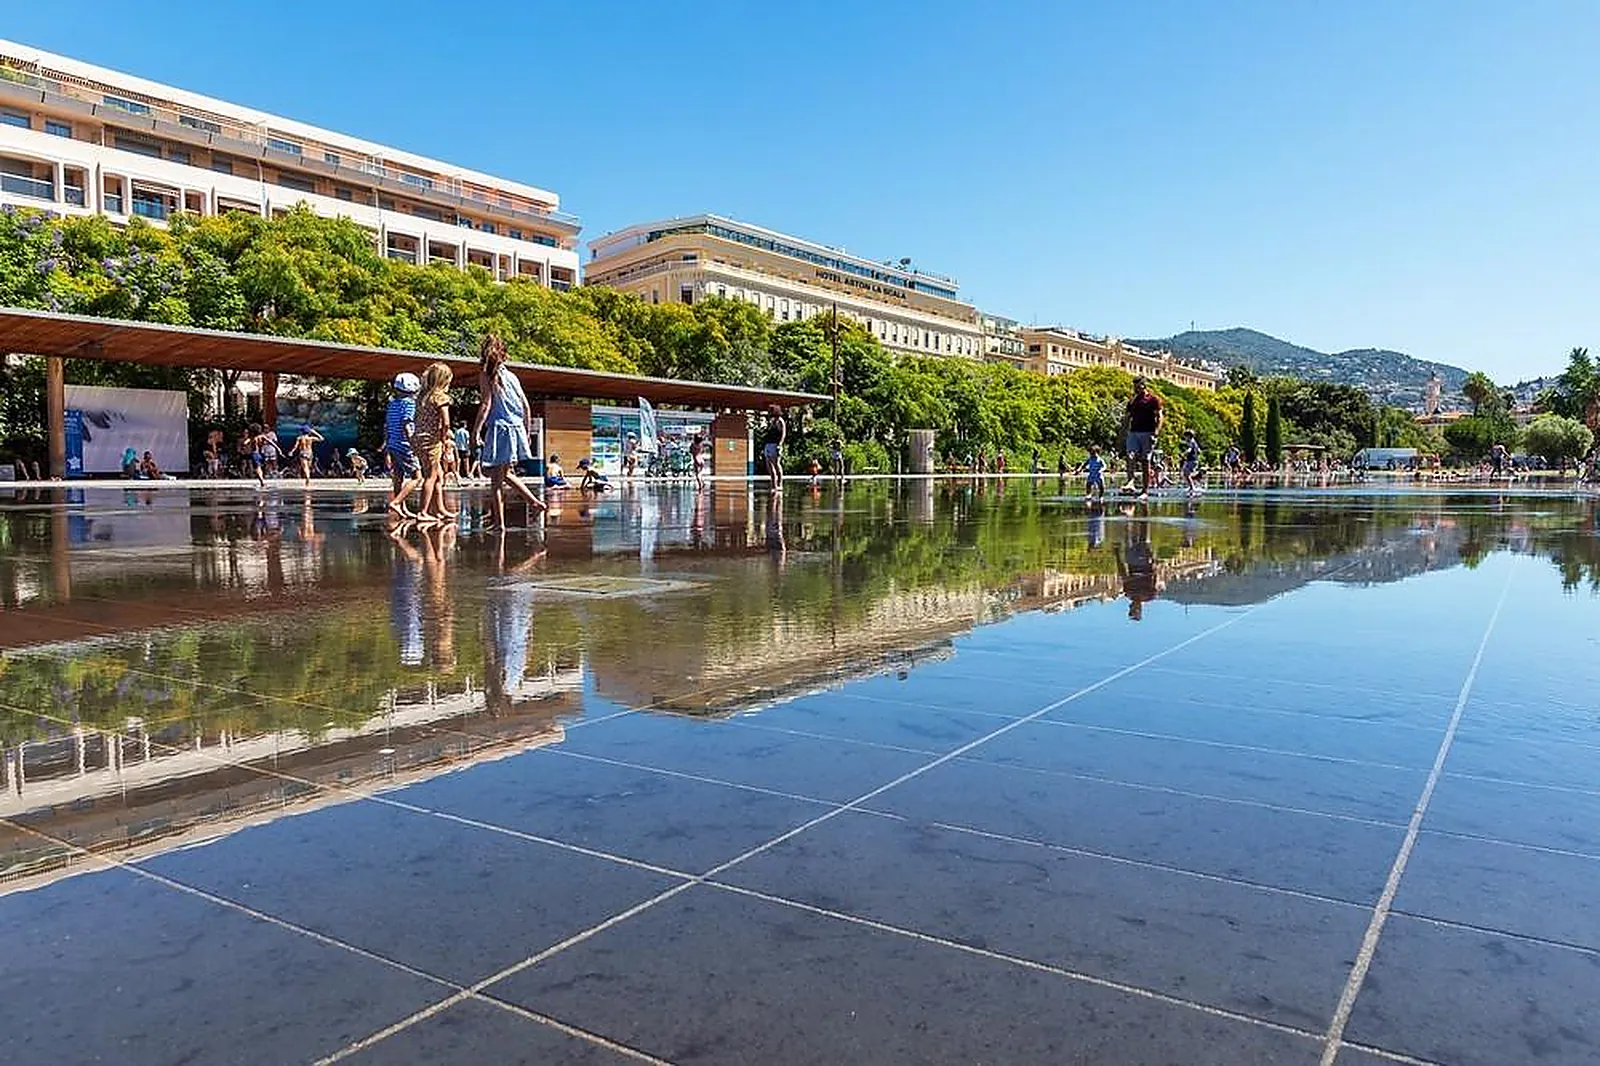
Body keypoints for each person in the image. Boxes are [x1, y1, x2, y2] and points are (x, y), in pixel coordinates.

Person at [473, 332, 547, 531]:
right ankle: (534, 503)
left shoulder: (487, 374)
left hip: (500, 428)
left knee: (496, 481)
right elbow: (525, 405)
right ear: (504, 354)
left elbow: (486, 404)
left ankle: (500, 524)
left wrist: (476, 431)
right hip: (515, 428)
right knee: (502, 473)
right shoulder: (512, 376)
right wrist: (526, 430)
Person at [413, 362, 458, 523]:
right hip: (432, 440)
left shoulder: (422, 397)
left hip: (418, 438)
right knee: (430, 476)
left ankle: (440, 509)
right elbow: (446, 422)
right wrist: (445, 438)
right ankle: (423, 511)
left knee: (438, 475)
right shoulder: (441, 397)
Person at [385, 372, 423, 519]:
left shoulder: (392, 404)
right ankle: (396, 502)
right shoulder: (410, 404)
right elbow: (407, 425)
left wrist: (387, 445)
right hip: (405, 445)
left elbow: (387, 426)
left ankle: (402, 508)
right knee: (417, 477)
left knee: (398, 477)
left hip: (393, 444)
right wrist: (413, 443)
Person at [1120, 376, 1163, 498]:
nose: (1135, 389)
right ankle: (1131, 482)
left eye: (1137, 386)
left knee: (1145, 461)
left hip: (1148, 433)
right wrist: (1122, 433)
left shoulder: (1153, 399)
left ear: (1143, 386)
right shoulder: (1132, 400)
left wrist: (1156, 432)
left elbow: (1160, 416)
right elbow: (1127, 418)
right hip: (1134, 432)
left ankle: (1145, 491)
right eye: (1134, 386)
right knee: (1130, 455)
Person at [762, 404, 786, 492]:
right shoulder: (771, 421)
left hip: (775, 444)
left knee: (776, 464)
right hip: (768, 444)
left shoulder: (780, 421)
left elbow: (783, 434)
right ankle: (774, 485)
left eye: (770, 411)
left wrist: (780, 444)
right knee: (769, 466)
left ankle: (780, 484)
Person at [1180, 428, 1203, 496]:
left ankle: (1192, 487)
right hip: (1193, 460)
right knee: (1185, 473)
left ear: (1189, 436)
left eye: (1185, 437)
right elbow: (1199, 450)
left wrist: (1184, 453)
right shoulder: (1194, 442)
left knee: (1186, 474)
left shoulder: (1191, 442)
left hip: (1191, 460)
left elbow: (1189, 449)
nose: (1185, 438)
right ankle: (1194, 481)